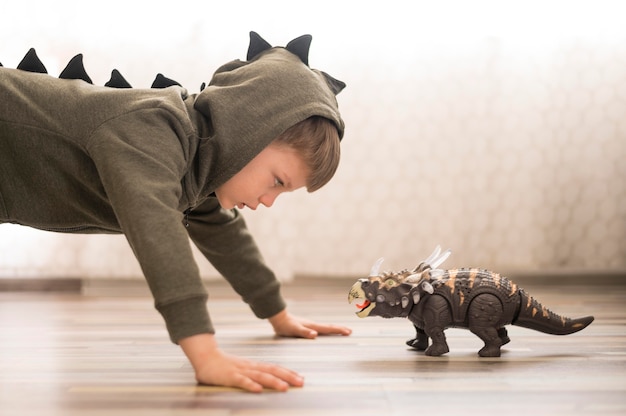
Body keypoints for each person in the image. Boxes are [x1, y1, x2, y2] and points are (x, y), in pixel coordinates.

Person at [0, 32, 352, 392]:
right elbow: (157, 232)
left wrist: (278, 314)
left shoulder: (197, 170)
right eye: (277, 181)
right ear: (250, 129)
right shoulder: (153, 129)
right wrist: (206, 355)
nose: (268, 201)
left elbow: (225, 234)